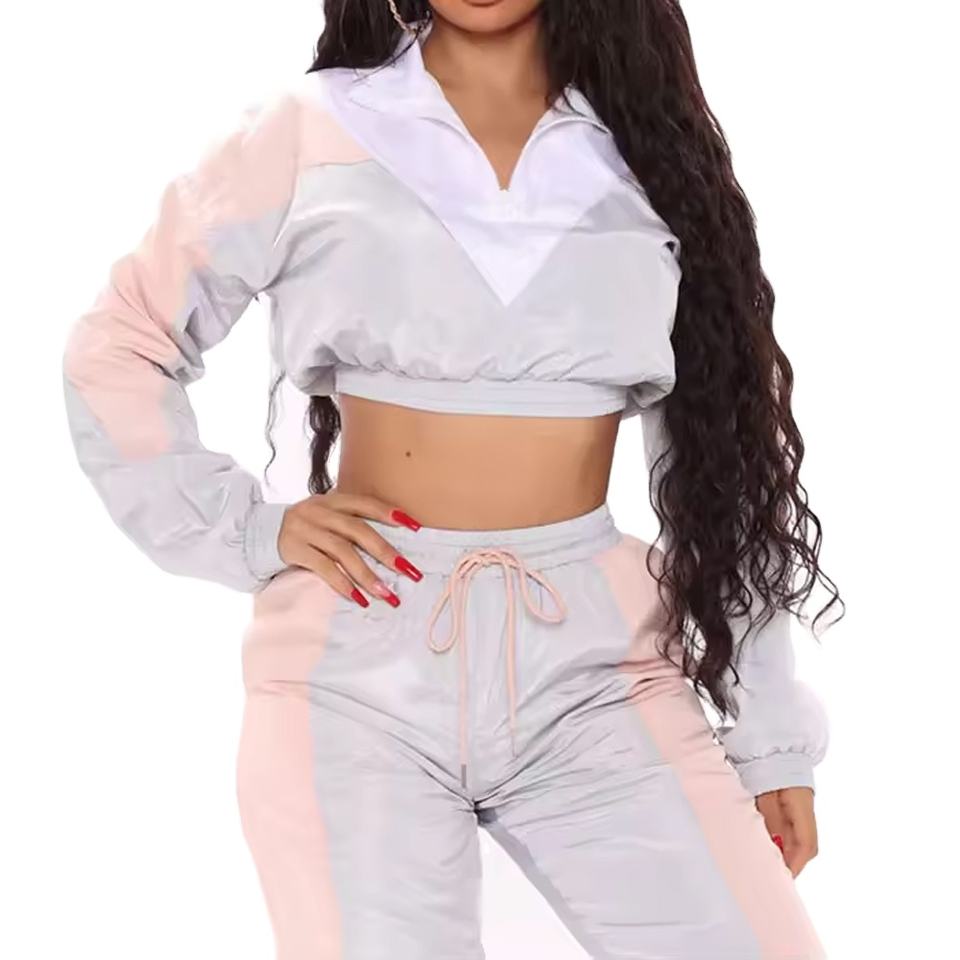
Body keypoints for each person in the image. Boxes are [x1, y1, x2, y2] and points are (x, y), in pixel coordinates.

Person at [62, 1, 844, 957]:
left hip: (599, 672)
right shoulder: (313, 129)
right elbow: (121, 344)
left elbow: (722, 468)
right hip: (357, 665)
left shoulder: (648, 154)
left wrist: (769, 736)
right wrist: (247, 530)